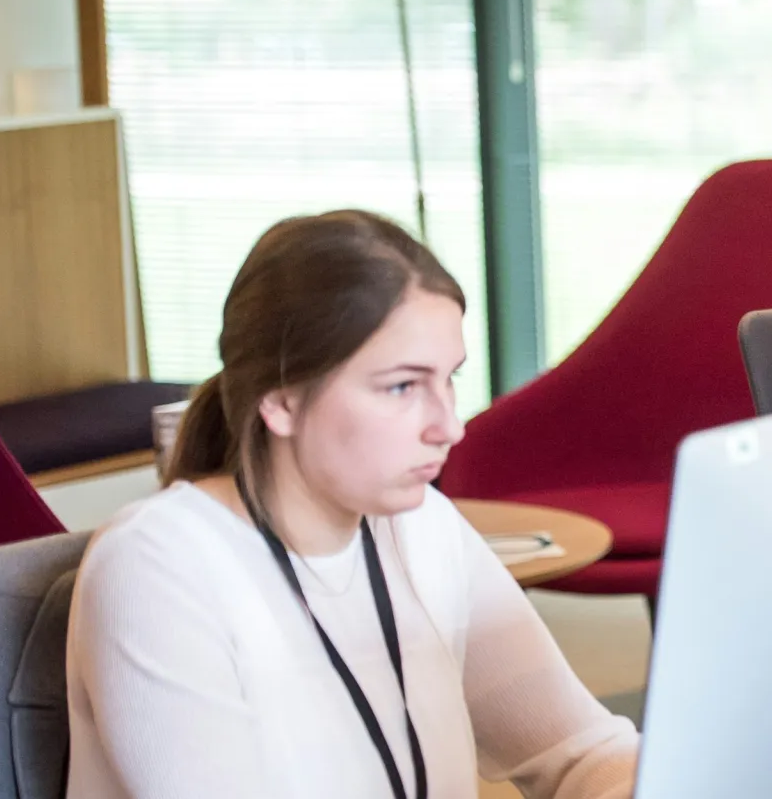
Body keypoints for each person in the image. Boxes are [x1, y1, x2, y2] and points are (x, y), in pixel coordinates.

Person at [66, 211, 637, 799]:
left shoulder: (420, 528)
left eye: (449, 381)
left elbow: (581, 753)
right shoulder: (158, 566)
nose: (448, 426)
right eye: (402, 387)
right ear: (282, 400)